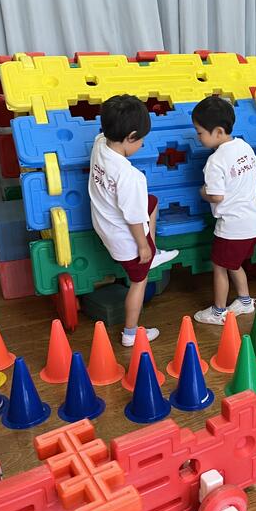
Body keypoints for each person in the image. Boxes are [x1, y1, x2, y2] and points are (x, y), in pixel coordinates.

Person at [88, 95, 178, 346]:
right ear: (130, 137)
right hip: (125, 240)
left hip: (104, 222)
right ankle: (130, 333)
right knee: (139, 282)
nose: (142, 144)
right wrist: (143, 246)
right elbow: (134, 219)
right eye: (141, 139)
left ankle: (153, 250)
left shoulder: (100, 143)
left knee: (151, 202)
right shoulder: (130, 177)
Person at [191, 96, 256, 325]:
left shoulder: (215, 161)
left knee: (220, 267)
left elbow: (216, 195)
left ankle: (218, 311)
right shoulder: (244, 146)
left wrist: (203, 192)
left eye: (200, 132)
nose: (198, 137)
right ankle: (244, 301)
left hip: (232, 227)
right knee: (234, 263)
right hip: (254, 223)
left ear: (219, 132)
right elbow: (255, 173)